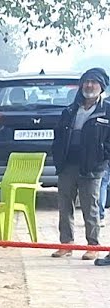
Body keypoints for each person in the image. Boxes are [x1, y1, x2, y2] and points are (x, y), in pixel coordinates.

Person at [52, 67, 110, 263]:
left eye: (94, 82)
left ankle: (92, 246)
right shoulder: (70, 110)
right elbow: (59, 135)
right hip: (68, 164)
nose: (89, 85)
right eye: (86, 81)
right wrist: (58, 157)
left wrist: (101, 156)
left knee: (90, 207)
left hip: (92, 167)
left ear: (101, 86)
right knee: (64, 205)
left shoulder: (107, 111)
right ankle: (66, 244)